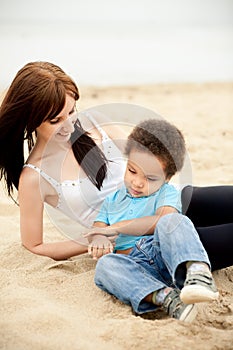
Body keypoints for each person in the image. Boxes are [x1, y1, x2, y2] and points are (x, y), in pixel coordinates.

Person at [0, 61, 232, 269]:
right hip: (145, 242)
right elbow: (35, 246)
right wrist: (91, 238)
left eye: (71, 111)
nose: (69, 125)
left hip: (171, 203)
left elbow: (144, 163)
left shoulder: (95, 122)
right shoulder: (34, 177)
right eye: (55, 120)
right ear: (31, 119)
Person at [84, 119, 219, 322]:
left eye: (151, 178)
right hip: (135, 265)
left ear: (166, 178)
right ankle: (165, 297)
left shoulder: (167, 193)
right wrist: (98, 240)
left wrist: (117, 228)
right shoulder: (113, 200)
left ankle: (197, 273)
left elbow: (162, 220)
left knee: (173, 221)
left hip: (163, 254)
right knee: (105, 266)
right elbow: (98, 228)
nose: (137, 182)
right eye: (132, 171)